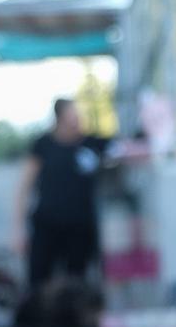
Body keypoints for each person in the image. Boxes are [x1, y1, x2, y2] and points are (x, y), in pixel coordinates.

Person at [13, 98, 109, 289]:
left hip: (80, 227)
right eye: (71, 116)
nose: (76, 120)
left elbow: (128, 150)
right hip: (47, 225)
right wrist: (18, 229)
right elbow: (24, 187)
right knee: (39, 283)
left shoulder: (91, 143)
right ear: (60, 119)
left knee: (77, 284)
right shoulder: (43, 145)